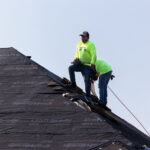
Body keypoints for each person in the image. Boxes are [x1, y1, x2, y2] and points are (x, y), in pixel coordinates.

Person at [68, 31, 97, 97]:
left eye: (84, 36)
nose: (82, 38)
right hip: (80, 64)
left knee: (86, 79)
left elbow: (94, 55)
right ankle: (73, 84)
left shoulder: (90, 45)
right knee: (71, 68)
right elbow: (77, 55)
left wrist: (92, 63)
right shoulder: (79, 44)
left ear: (87, 37)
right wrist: (75, 60)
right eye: (81, 36)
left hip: (87, 66)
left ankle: (87, 94)